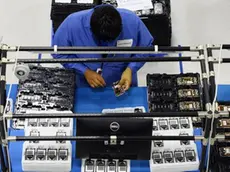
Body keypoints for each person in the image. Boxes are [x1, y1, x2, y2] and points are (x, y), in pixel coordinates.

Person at [53, 4, 153, 90]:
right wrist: (84, 71)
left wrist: (130, 69)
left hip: (124, 83)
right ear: (91, 30)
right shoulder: (72, 24)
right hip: (86, 86)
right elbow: (59, 53)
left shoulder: (132, 22)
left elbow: (146, 47)